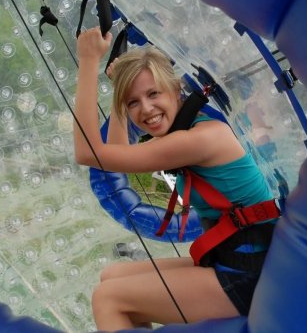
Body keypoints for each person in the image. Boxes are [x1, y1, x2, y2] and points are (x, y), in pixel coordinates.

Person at [74, 26, 277, 331]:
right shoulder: (186, 132)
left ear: (176, 89)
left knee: (108, 298)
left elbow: (89, 153)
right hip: (231, 261)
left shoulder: (199, 139)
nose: (146, 109)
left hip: (248, 275)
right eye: (133, 102)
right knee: (111, 277)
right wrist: (120, 94)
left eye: (153, 93)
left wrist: (88, 61)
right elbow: (116, 155)